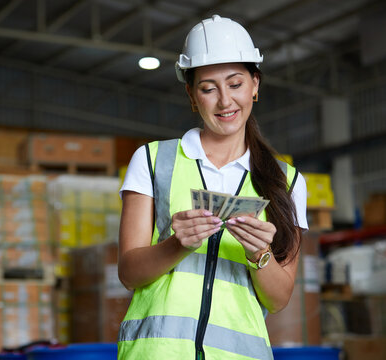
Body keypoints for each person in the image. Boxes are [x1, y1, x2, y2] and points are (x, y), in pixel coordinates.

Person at [117, 15, 308, 360]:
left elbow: (279, 300)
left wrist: (258, 255)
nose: (224, 102)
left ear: (255, 85)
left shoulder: (287, 181)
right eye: (208, 88)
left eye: (235, 84)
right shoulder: (152, 160)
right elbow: (129, 274)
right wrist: (177, 245)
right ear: (191, 95)